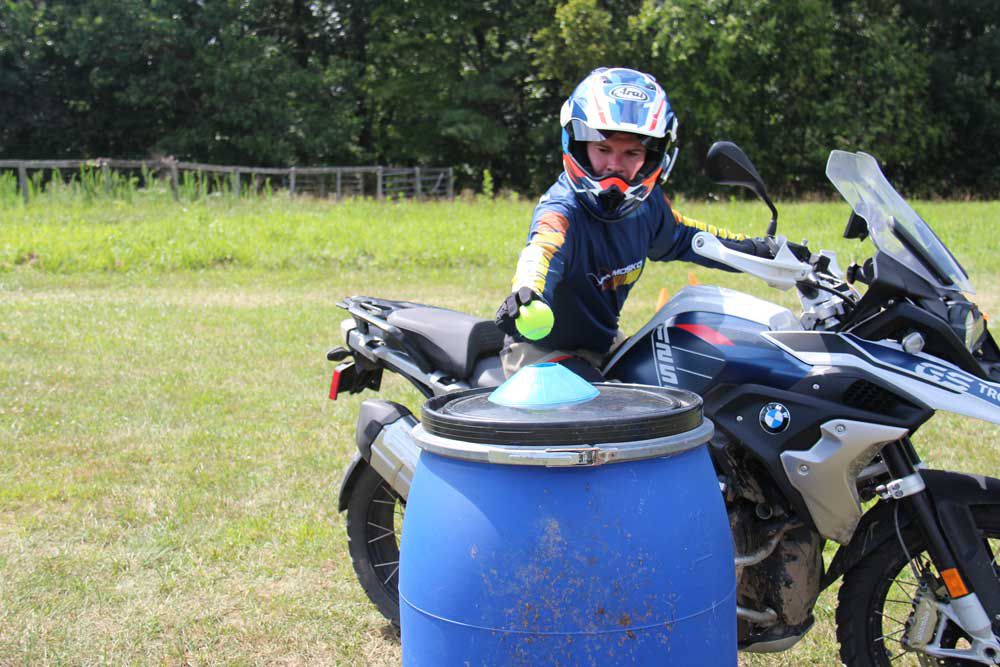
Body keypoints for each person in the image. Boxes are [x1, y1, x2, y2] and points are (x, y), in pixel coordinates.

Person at [494, 66, 772, 380]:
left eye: (632, 153)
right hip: (539, 352)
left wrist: (761, 251)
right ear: (578, 146)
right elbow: (543, 250)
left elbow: (689, 237)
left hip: (603, 345)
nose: (615, 165)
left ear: (653, 157)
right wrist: (528, 292)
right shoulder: (563, 209)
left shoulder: (647, 207)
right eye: (602, 149)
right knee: (611, 420)